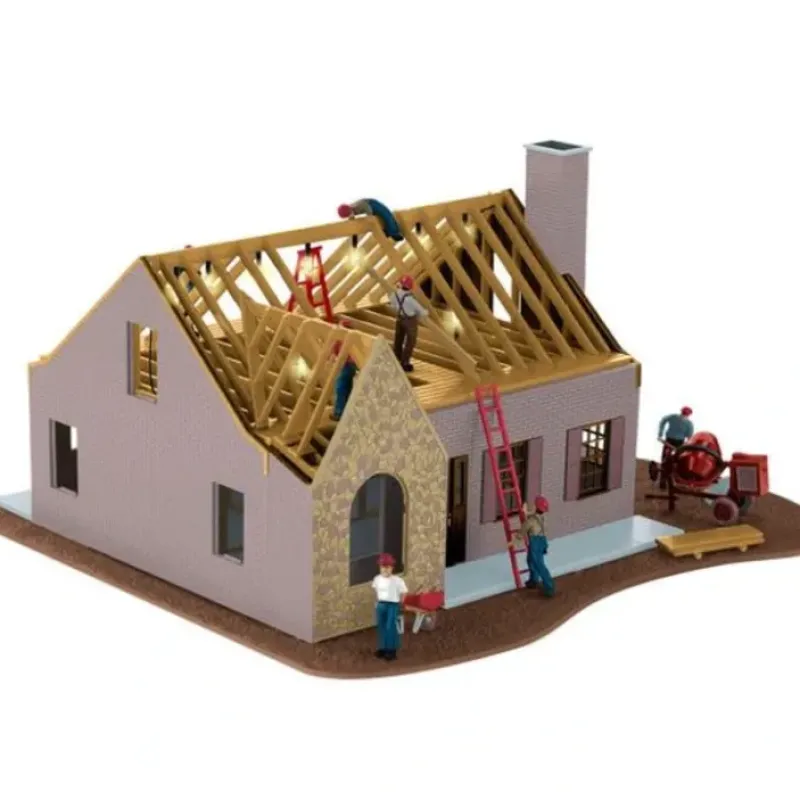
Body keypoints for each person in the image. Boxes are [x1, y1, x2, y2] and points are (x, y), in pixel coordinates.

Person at [371, 553, 407, 660]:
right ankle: (382, 648)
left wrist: (401, 602)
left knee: (390, 626)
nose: (385, 569)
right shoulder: (377, 579)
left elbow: (404, 592)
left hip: (392, 605)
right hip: (381, 604)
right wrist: (377, 601)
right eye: (383, 567)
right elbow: (376, 590)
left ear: (392, 568)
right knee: (381, 626)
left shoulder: (397, 580)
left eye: (387, 567)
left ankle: (391, 651)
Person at [389, 275, 428, 372]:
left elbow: (392, 304)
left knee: (398, 339)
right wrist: (427, 312)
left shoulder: (395, 294)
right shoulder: (410, 300)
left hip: (399, 318)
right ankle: (405, 363)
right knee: (410, 341)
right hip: (410, 321)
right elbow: (422, 312)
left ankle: (396, 357)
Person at [517, 496, 555, 597]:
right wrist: (525, 512)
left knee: (539, 565)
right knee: (530, 560)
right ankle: (533, 580)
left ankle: (549, 587)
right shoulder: (540, 517)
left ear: (535, 507)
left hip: (535, 543)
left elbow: (523, 529)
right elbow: (532, 515)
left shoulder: (531, 521)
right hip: (542, 541)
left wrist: (514, 540)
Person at [338, 199, 404, 241]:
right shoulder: (350, 212)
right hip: (369, 207)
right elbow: (352, 221)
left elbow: (367, 207)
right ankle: (386, 231)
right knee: (379, 220)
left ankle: (394, 232)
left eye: (350, 213)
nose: (350, 215)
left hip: (372, 204)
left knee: (386, 215)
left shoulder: (358, 206)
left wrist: (369, 216)